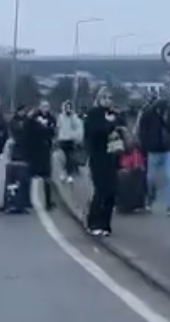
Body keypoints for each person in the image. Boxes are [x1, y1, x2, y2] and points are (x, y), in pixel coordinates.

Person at [83, 87, 126, 236]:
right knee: (101, 190)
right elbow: (93, 133)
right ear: (99, 99)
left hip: (113, 156)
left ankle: (106, 224)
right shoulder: (94, 114)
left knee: (111, 191)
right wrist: (109, 124)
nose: (107, 101)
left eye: (110, 98)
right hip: (98, 156)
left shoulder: (115, 115)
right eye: (104, 98)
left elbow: (122, 127)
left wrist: (117, 122)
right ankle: (94, 222)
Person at [138, 98, 170, 215]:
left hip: (167, 151)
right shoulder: (148, 115)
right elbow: (142, 131)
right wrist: (145, 146)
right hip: (153, 151)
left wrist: (169, 121)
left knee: (169, 177)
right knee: (150, 178)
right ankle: (149, 201)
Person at [18, 99, 57, 210]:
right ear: (39, 107)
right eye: (43, 106)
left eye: (47, 106)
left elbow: (52, 132)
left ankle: (48, 202)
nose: (45, 108)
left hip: (45, 151)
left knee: (47, 178)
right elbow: (28, 130)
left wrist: (45, 130)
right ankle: (25, 201)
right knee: (28, 176)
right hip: (33, 151)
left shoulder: (51, 118)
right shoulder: (32, 118)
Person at [56, 101, 83, 183]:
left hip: (70, 139)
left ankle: (69, 174)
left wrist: (77, 138)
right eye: (66, 107)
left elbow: (77, 127)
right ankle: (63, 173)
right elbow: (58, 127)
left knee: (70, 158)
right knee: (62, 158)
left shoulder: (74, 117)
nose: (68, 109)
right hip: (62, 139)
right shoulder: (60, 117)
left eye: (69, 107)